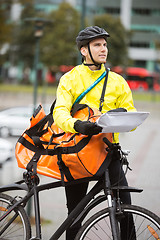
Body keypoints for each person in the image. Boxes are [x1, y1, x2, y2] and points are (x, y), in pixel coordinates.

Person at [53, 26, 136, 240]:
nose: (103, 49)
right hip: (77, 152)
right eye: (97, 45)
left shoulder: (118, 81)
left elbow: (132, 114)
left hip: (108, 153)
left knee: (125, 207)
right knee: (75, 215)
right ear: (83, 50)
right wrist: (77, 125)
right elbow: (59, 112)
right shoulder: (69, 79)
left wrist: (123, 115)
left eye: (105, 45)